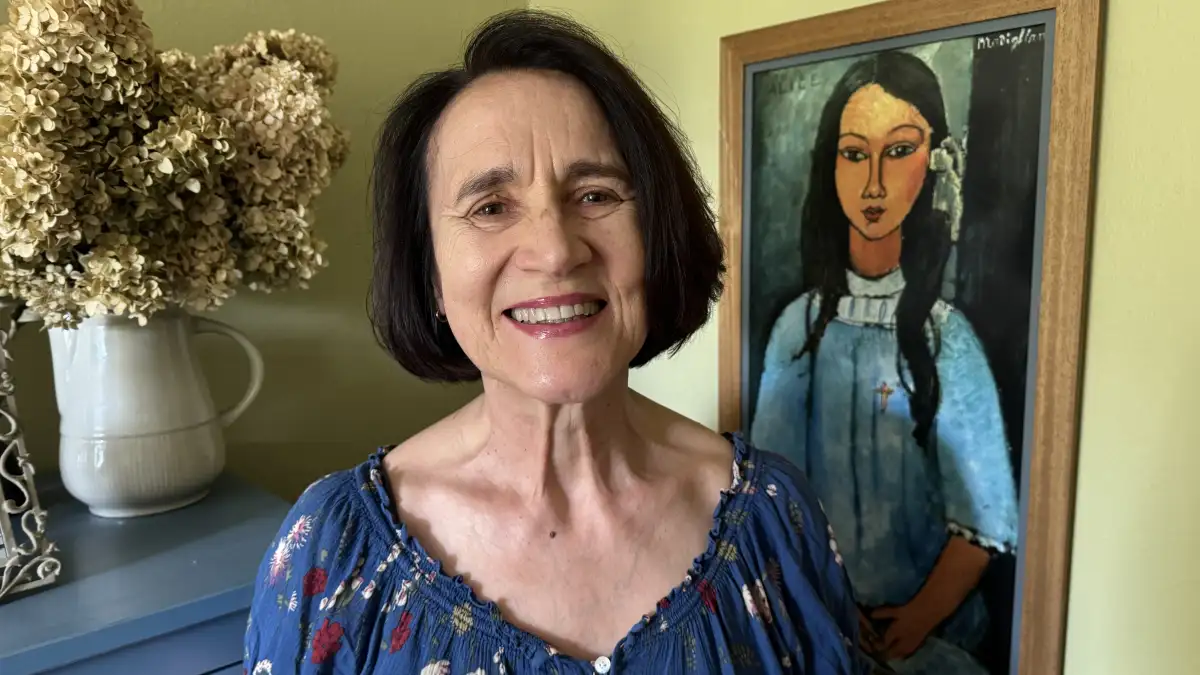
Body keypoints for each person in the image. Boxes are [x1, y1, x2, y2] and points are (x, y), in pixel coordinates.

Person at [242, 9, 865, 675]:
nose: (556, 250)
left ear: (656, 234)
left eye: (595, 195)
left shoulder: (774, 519)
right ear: (430, 273)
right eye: (490, 207)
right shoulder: (334, 550)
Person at [750, 51, 1020, 675]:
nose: (873, 183)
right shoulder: (799, 328)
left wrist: (919, 616)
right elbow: (773, 495)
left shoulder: (948, 339)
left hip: (929, 639)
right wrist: (825, 607)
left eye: (898, 151)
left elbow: (982, 519)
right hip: (816, 627)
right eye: (854, 153)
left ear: (934, 160)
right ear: (831, 164)